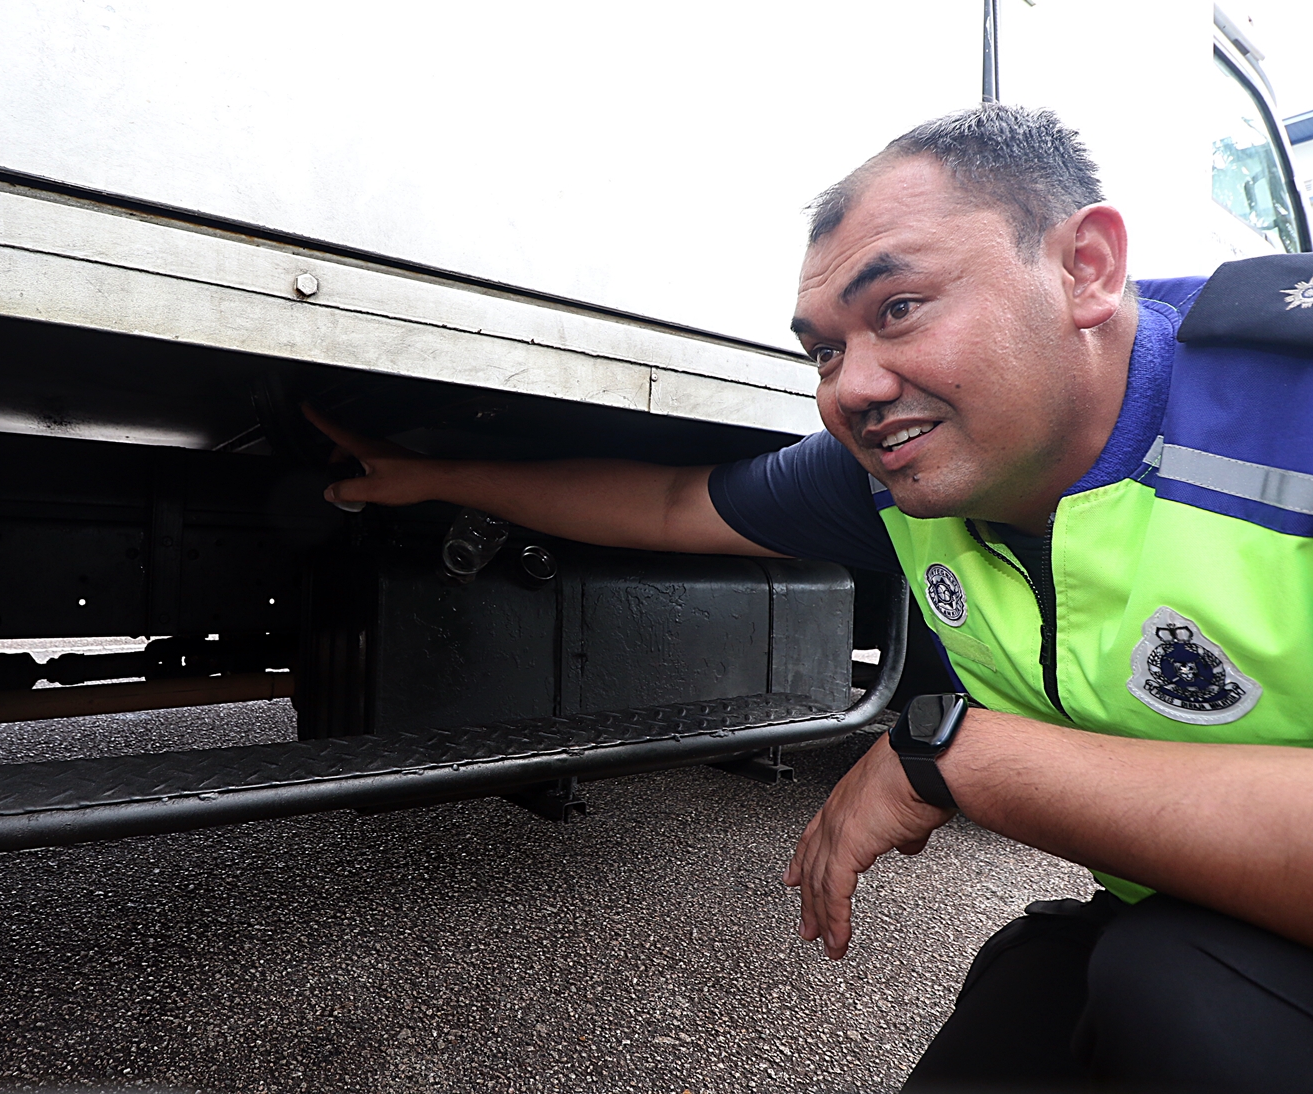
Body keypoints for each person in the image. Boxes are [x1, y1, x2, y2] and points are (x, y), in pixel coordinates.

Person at [307, 104, 1313, 1089]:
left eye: (899, 308)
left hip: (1202, 950)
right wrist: (432, 476)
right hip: (1190, 915)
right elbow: (670, 503)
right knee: (1040, 992)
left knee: (1168, 990)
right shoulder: (896, 474)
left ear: (1083, 267)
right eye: (824, 349)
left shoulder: (1288, 418)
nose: (852, 387)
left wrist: (958, 752)